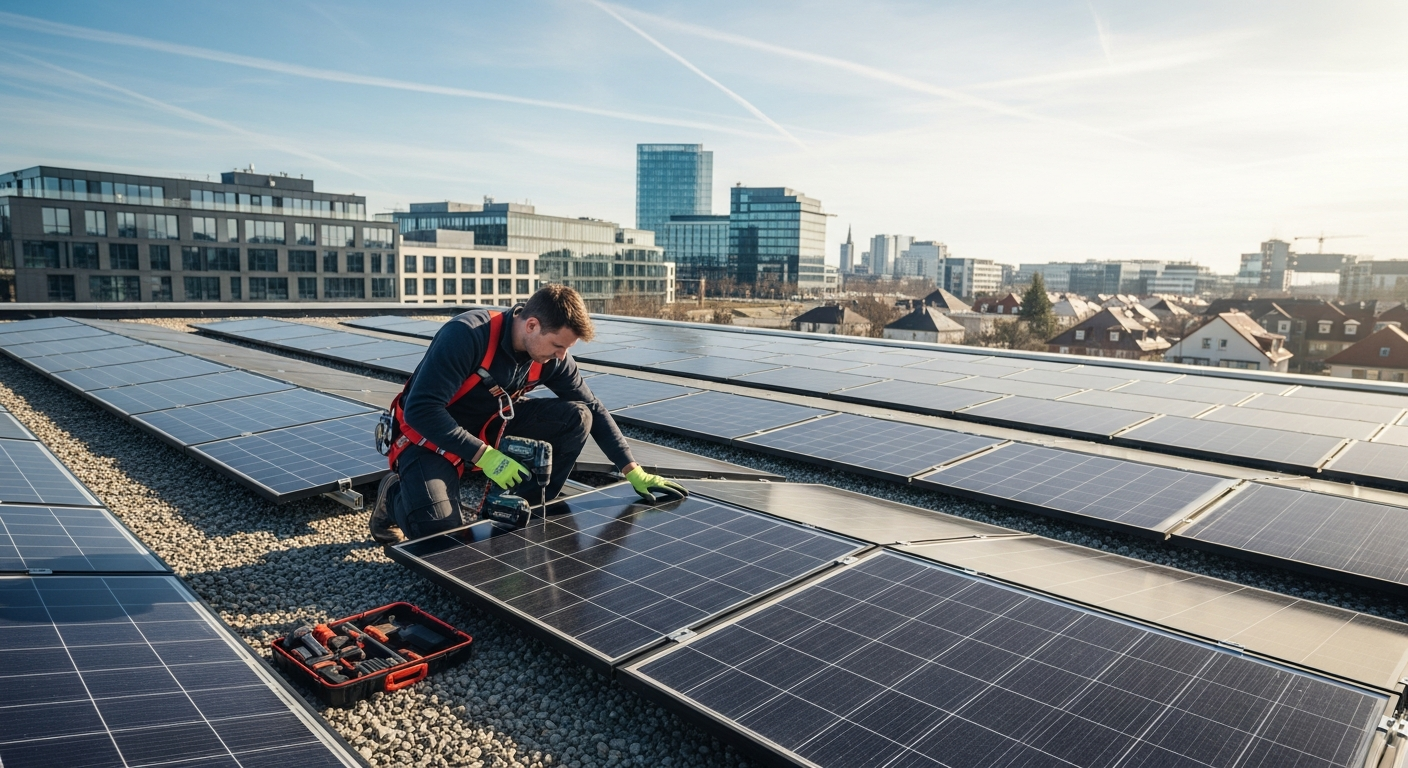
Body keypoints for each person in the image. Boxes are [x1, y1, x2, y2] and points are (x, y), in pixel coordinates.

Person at [370, 284, 687, 543]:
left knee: (577, 416)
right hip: (429, 437)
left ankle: (524, 509)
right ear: (531, 325)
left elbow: (592, 407)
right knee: (441, 541)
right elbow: (421, 410)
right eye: (557, 345)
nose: (562, 356)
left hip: (490, 426)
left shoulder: (551, 357)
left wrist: (631, 469)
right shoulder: (467, 336)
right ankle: (394, 494)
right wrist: (485, 456)